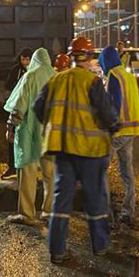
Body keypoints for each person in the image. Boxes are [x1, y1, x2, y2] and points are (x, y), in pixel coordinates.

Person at [33, 36, 120, 263]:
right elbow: (108, 114)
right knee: (94, 198)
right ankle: (100, 245)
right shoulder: (92, 82)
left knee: (61, 200)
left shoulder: (55, 80)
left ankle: (57, 250)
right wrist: (113, 127)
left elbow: (38, 107)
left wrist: (53, 126)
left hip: (63, 149)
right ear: (90, 57)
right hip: (91, 151)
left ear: (71, 57)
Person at [4, 48, 56, 225]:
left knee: (28, 173)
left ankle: (27, 214)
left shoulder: (30, 76)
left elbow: (20, 105)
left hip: (31, 133)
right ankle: (49, 212)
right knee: (50, 174)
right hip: (50, 135)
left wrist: (10, 126)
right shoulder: (56, 77)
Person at [99, 46, 139, 227]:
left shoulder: (113, 77)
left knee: (100, 171)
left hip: (117, 131)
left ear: (105, 61)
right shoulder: (129, 76)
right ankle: (128, 211)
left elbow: (113, 104)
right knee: (127, 172)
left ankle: (106, 216)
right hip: (132, 130)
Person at [2, 48, 34, 179]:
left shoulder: (35, 72)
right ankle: (12, 166)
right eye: (23, 59)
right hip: (18, 107)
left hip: (30, 111)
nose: (25, 62)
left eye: (28, 59)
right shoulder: (16, 70)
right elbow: (8, 85)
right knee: (12, 137)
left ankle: (29, 167)